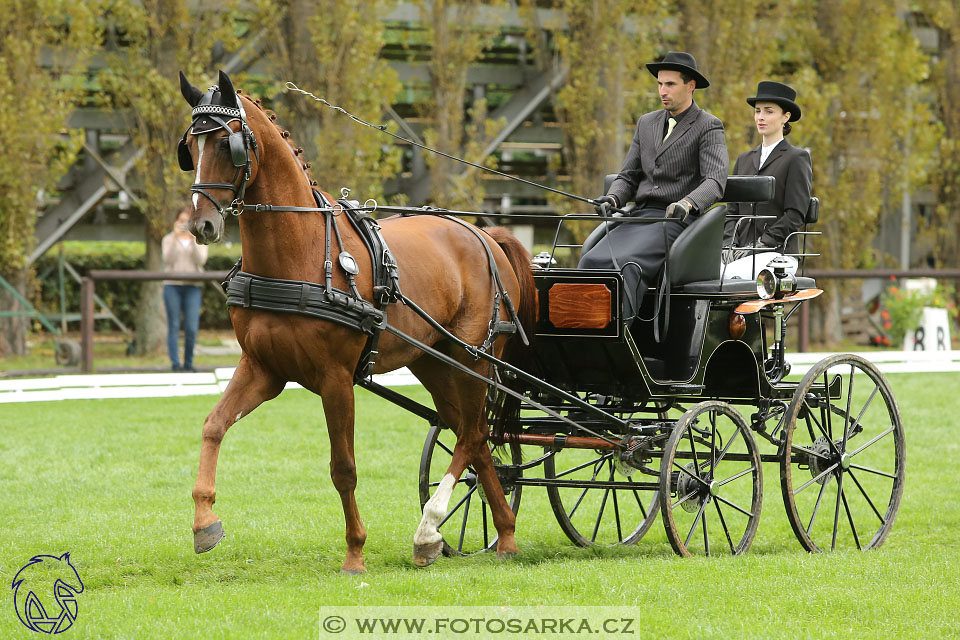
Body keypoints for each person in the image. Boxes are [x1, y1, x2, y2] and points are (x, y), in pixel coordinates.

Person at [579, 51, 728, 318]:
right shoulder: (646, 123)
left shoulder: (708, 126)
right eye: (660, 84)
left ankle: (619, 339)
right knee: (591, 260)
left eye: (670, 84)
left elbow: (715, 180)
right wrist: (612, 199)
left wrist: (687, 203)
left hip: (677, 221)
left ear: (690, 85)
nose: (662, 91)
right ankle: (583, 332)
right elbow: (628, 176)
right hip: (639, 217)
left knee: (626, 265)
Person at [722, 81, 813, 279]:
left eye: (769, 111)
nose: (761, 117)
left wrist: (763, 243)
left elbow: (796, 213)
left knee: (728, 277)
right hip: (740, 253)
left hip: (778, 253)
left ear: (785, 117)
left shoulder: (796, 158)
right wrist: (729, 245)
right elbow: (732, 211)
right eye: (758, 111)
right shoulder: (744, 159)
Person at [162, 205, 208, 372]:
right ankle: (175, 364)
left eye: (187, 221)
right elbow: (168, 259)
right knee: (173, 325)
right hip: (172, 286)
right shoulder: (168, 239)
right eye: (181, 221)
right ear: (176, 222)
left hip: (193, 287)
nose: (184, 224)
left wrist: (193, 239)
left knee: (191, 327)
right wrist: (175, 238)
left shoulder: (200, 238)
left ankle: (188, 363)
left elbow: (200, 261)